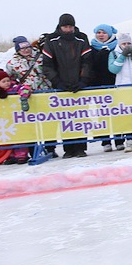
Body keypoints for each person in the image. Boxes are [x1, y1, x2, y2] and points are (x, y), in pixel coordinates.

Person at [40, 13, 92, 158]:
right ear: (60, 26)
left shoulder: (81, 38)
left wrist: (83, 80)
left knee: (80, 116)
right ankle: (68, 148)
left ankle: (81, 147)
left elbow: (87, 61)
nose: (68, 29)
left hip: (78, 84)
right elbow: (47, 64)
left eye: (70, 26)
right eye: (65, 26)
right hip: (61, 85)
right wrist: (57, 82)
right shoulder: (52, 39)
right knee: (65, 117)